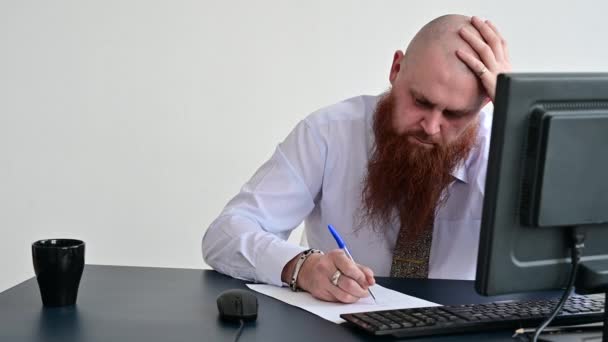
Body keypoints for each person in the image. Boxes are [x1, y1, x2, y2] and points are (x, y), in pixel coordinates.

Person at [202, 14, 511, 303]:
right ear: (396, 69)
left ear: (484, 104)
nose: (431, 126)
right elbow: (224, 234)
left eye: (454, 114)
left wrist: (519, 116)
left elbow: (558, 256)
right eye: (420, 101)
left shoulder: (505, 146)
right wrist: (302, 267)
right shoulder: (328, 133)